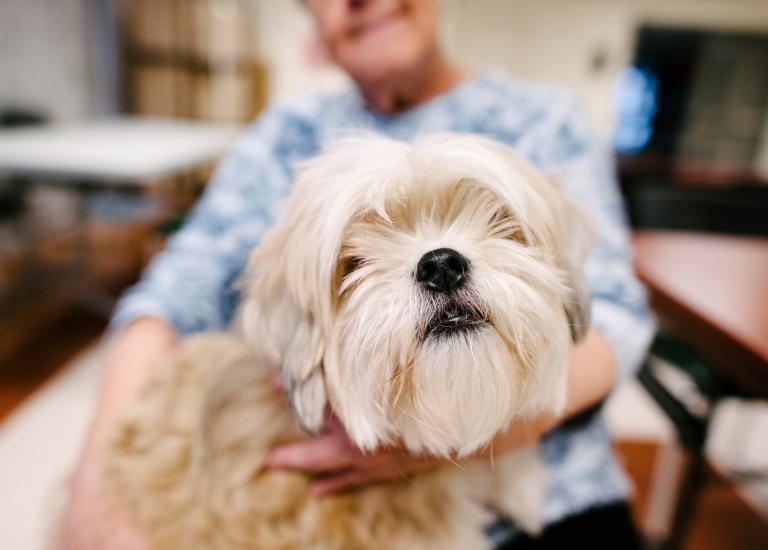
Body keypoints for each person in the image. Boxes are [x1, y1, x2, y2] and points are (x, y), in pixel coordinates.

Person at [61, 0, 654, 548]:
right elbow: (173, 295)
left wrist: (468, 442)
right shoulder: (284, 135)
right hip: (339, 482)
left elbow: (613, 313)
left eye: (498, 224)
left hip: (559, 491)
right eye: (357, 261)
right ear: (308, 16)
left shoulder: (545, 119)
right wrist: (96, 489)